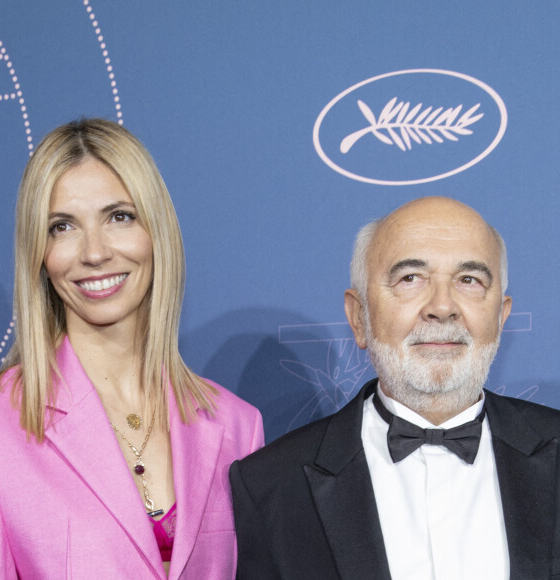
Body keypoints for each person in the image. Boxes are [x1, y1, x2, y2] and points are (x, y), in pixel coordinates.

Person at [0, 118, 264, 579]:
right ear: (40, 254)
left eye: (119, 217)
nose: (94, 252)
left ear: (156, 233)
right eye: (62, 226)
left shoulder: (237, 426)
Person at [230, 196, 560, 580]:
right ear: (359, 318)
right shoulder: (271, 485)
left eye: (468, 280)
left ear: (501, 317)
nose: (442, 306)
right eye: (410, 279)